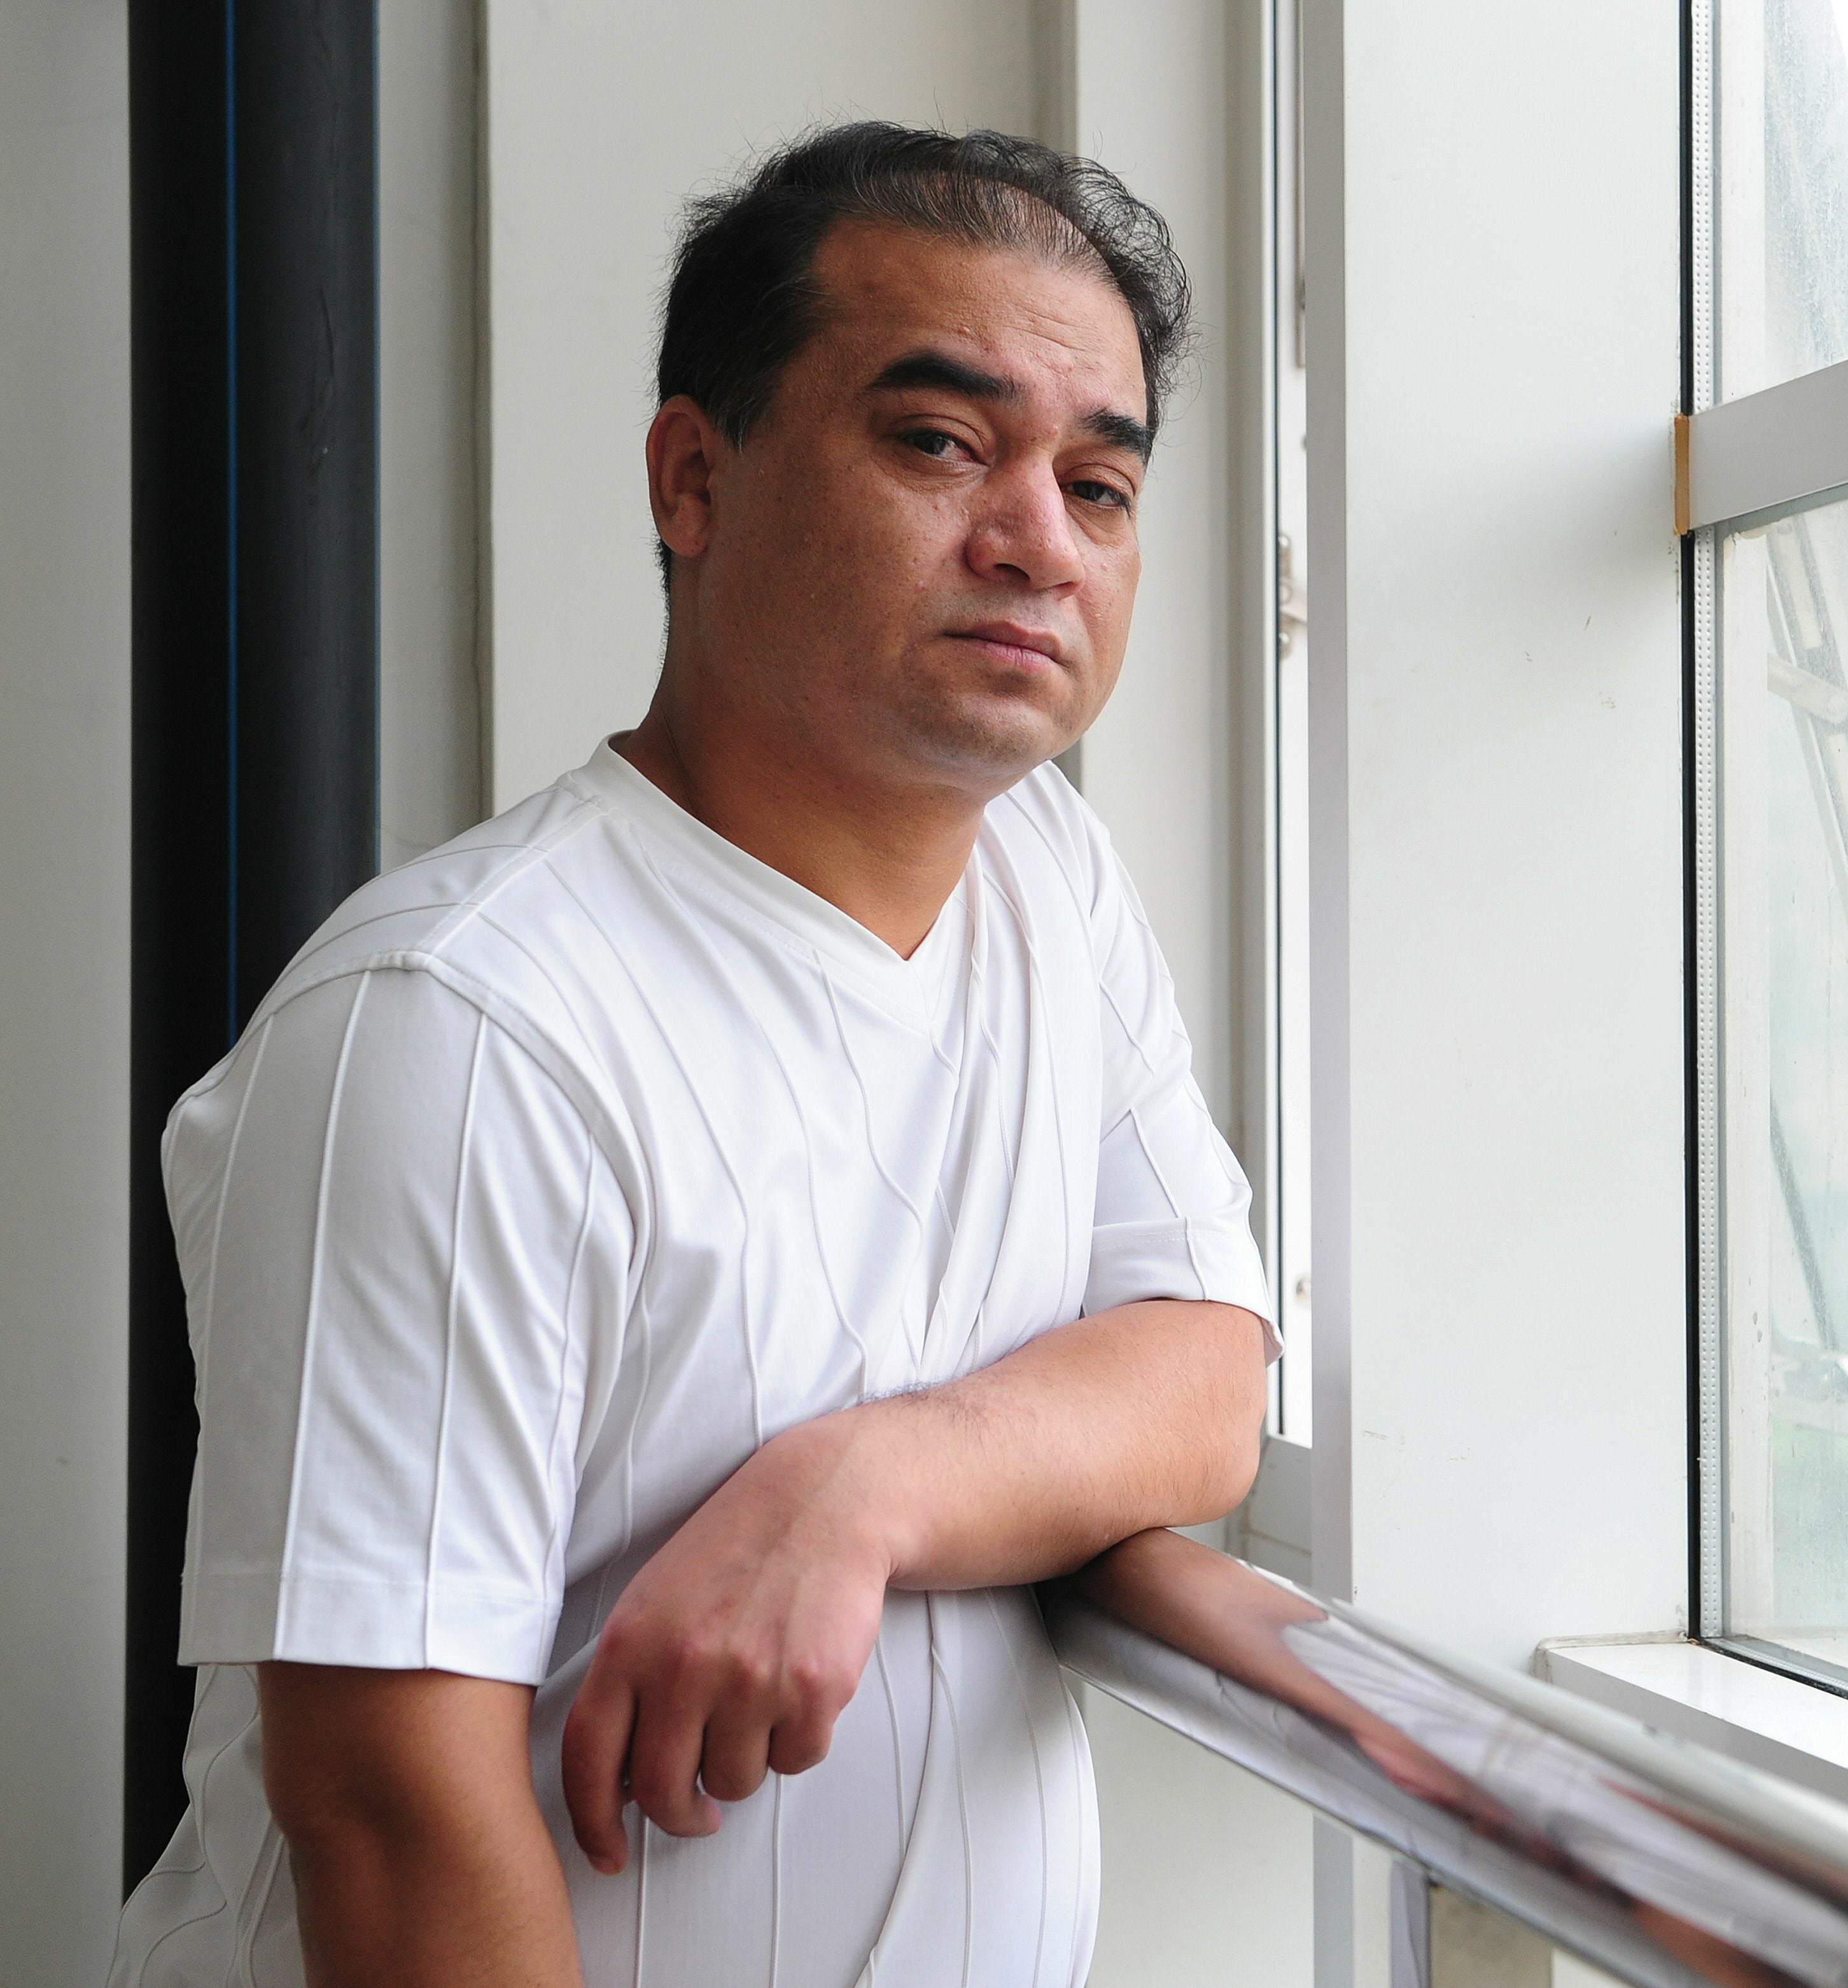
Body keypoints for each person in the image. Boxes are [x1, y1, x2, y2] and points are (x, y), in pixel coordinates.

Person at [110, 123, 1274, 1988]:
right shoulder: (461, 1022)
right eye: (940, 442)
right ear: (691, 478)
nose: (1039, 541)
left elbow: (1208, 1375)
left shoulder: (1047, 875)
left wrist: (865, 1487)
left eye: (1102, 483)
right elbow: (391, 1818)